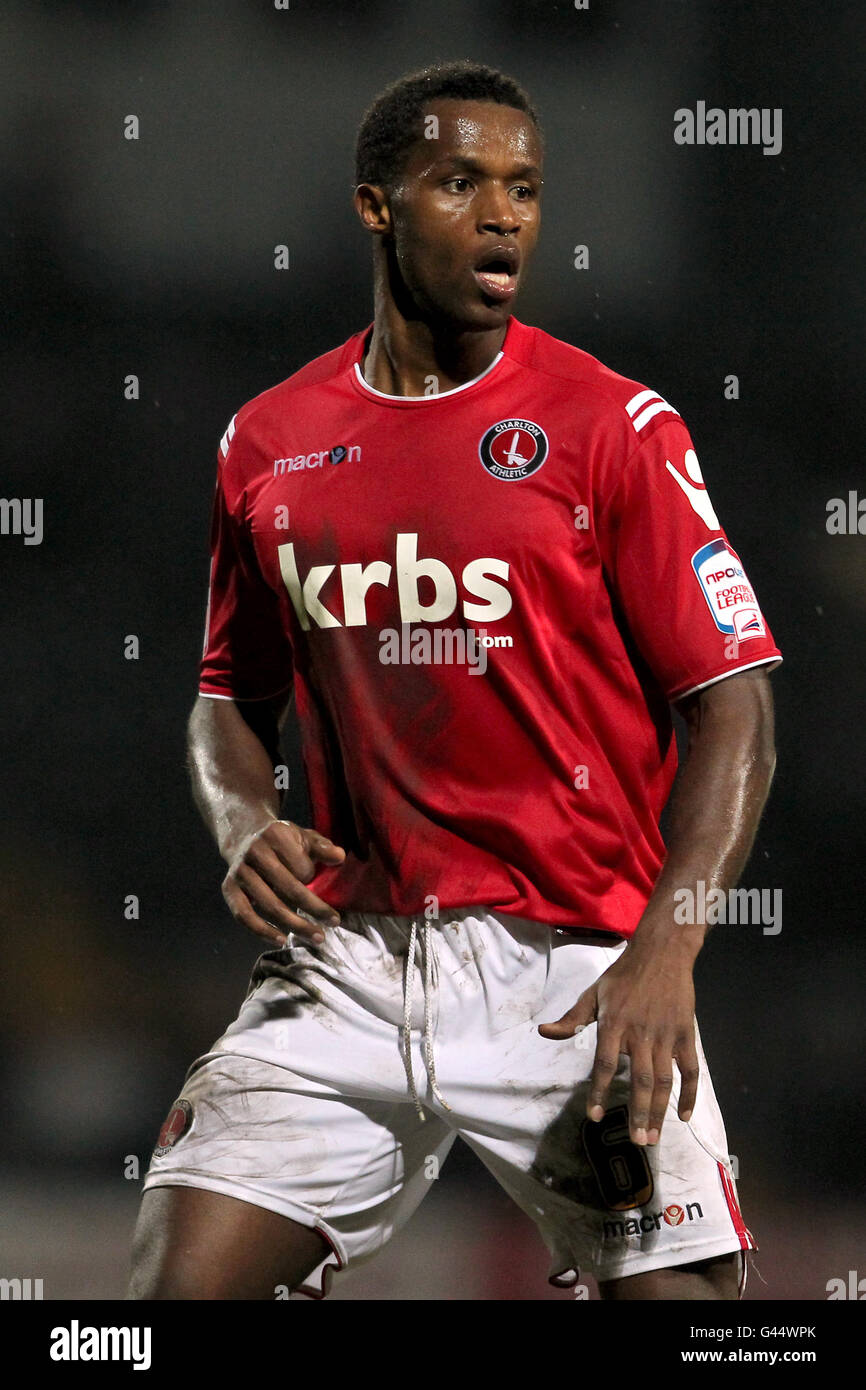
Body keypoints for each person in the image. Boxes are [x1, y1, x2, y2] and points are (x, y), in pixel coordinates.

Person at [127, 60, 781, 1301]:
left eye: (525, 189)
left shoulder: (611, 426)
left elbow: (734, 705)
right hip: (349, 965)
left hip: (575, 972)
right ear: (376, 205)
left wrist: (665, 952)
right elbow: (226, 700)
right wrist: (243, 820)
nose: (503, 215)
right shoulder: (268, 441)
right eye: (461, 182)